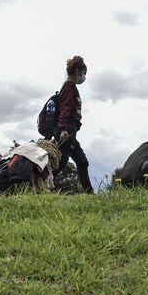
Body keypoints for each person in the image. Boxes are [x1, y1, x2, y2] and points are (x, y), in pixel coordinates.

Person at [53, 55, 94, 194]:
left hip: (71, 130)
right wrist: (63, 128)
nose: (83, 77)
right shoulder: (69, 87)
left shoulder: (70, 87)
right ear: (77, 71)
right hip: (66, 130)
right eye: (83, 73)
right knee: (60, 162)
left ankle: (89, 193)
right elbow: (65, 108)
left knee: (82, 162)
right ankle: (40, 186)